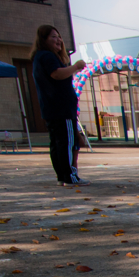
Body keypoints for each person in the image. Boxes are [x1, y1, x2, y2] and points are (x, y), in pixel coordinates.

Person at [30, 24, 88, 186]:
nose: (58, 40)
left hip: (51, 109)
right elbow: (56, 74)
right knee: (67, 142)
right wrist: (75, 67)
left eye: (59, 36)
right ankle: (70, 176)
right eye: (53, 37)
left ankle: (62, 176)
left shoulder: (40, 57)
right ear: (44, 40)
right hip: (61, 109)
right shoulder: (48, 57)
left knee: (57, 143)